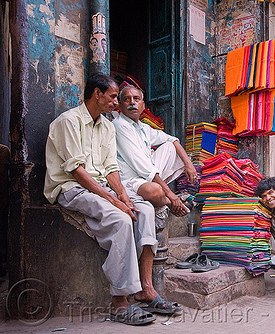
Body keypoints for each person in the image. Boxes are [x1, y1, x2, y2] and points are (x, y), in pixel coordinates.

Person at [44, 73, 180, 326]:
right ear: (97, 94)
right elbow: (77, 171)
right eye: (114, 96)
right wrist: (114, 201)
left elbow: (111, 168)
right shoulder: (69, 122)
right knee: (120, 220)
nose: (116, 102)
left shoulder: (106, 125)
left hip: (102, 186)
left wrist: (122, 195)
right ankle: (119, 303)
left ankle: (146, 289)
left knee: (145, 211)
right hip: (72, 188)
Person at [113, 86, 197, 218]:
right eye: (126, 99)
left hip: (146, 176)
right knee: (156, 191)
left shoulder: (143, 128)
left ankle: (163, 197)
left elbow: (173, 139)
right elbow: (143, 166)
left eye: (136, 99)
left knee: (170, 146)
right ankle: (167, 203)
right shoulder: (120, 125)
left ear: (143, 105)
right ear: (120, 105)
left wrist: (189, 164)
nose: (132, 103)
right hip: (130, 180)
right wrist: (171, 195)